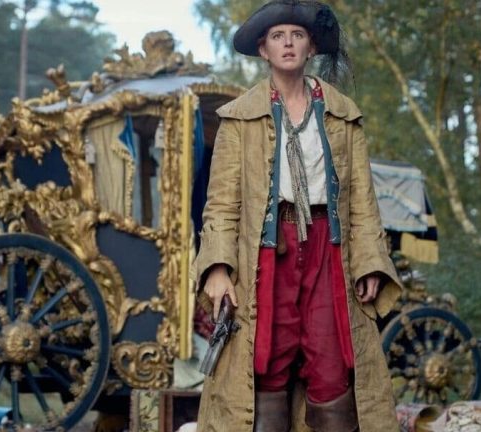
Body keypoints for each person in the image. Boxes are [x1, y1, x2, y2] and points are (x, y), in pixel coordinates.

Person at [192, 1, 403, 431]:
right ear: (263, 50)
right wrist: (217, 267)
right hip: (267, 252)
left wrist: (370, 261)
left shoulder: (342, 115)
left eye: (297, 35)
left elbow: (362, 199)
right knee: (266, 357)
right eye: (277, 36)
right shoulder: (239, 119)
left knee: (332, 358)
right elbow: (222, 205)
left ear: (311, 48)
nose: (287, 43)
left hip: (329, 249)